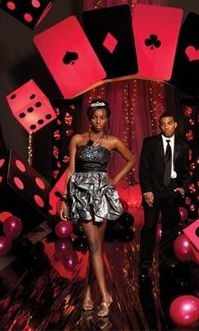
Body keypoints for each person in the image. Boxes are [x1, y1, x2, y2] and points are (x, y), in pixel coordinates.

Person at [58, 99, 134, 317]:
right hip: (81, 194)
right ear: (89, 118)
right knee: (93, 245)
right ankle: (106, 295)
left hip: (101, 194)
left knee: (95, 248)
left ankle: (89, 294)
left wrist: (115, 179)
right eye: (95, 117)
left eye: (103, 117)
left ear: (107, 118)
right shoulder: (78, 139)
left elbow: (131, 159)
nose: (99, 121)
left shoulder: (112, 141)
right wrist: (65, 198)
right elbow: (71, 170)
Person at [139, 112, 191, 277]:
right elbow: (144, 169)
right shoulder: (150, 143)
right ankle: (145, 264)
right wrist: (146, 190)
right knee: (149, 227)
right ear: (160, 126)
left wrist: (183, 187)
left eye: (169, 123)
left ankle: (165, 262)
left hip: (172, 193)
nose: (166, 126)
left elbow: (186, 172)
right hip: (153, 192)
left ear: (175, 124)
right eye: (163, 124)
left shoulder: (183, 146)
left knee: (170, 229)